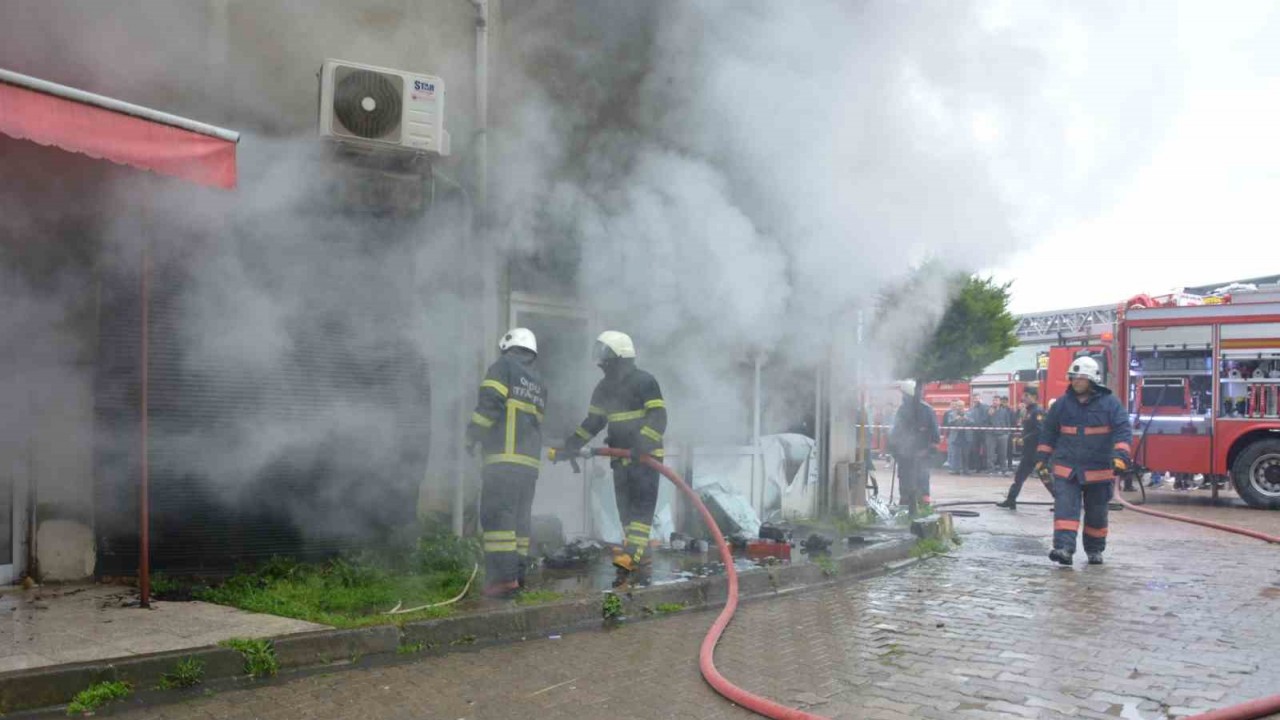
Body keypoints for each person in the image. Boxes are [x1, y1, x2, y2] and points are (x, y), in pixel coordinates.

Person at [559, 331, 667, 589]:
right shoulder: (604, 388)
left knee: (640, 518)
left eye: (605, 357)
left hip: (645, 460)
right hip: (621, 462)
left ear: (619, 357)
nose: (601, 363)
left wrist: (642, 444)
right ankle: (642, 566)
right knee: (628, 518)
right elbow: (594, 422)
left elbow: (658, 418)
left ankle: (629, 564)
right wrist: (572, 444)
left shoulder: (645, 382)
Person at [466, 328, 546, 598]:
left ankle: (503, 579)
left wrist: (472, 436)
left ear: (507, 347)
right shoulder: (538, 381)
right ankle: (518, 575)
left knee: (497, 518)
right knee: (520, 522)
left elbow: (490, 404)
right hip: (529, 466)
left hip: (503, 461)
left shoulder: (503, 367)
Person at [1035, 356, 1132, 566]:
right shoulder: (1061, 405)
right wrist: (1042, 457)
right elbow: (1048, 432)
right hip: (1067, 469)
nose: (1076, 382)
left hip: (1099, 470)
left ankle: (1095, 550)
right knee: (1065, 510)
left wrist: (1120, 456)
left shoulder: (1110, 404)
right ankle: (1064, 549)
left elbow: (1122, 430)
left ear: (1093, 379)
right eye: (1074, 378)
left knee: (1097, 513)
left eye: (1081, 378)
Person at [889, 380, 940, 514]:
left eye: (904, 395)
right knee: (906, 477)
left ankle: (922, 503)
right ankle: (906, 504)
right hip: (905, 453)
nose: (903, 397)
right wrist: (894, 448)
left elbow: (935, 434)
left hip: (921, 452)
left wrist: (929, 450)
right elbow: (896, 431)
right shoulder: (903, 410)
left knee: (921, 476)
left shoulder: (926, 410)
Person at [996, 388, 1043, 510]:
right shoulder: (1028, 411)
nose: (1024, 398)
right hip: (1028, 452)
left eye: (1026, 396)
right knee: (1019, 477)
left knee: (1046, 478)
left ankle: (1062, 503)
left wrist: (1025, 438)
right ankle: (1011, 500)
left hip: (1037, 452)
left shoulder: (1037, 411)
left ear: (1033, 396)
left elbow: (1040, 430)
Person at [991, 396, 1015, 475]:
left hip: (1003, 435)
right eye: (994, 400)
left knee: (1003, 453)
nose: (995, 402)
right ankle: (991, 469)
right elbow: (985, 422)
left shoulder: (1004, 411)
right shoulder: (989, 410)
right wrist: (989, 414)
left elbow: (1008, 422)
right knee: (991, 453)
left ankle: (1003, 469)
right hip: (992, 435)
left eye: (996, 400)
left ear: (1000, 402)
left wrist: (1007, 433)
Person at [967, 394, 991, 473]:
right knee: (975, 450)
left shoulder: (985, 407)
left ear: (980, 399)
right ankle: (977, 468)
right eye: (974, 399)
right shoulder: (972, 409)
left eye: (977, 398)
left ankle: (985, 467)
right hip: (975, 432)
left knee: (986, 450)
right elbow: (970, 419)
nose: (975, 400)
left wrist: (981, 426)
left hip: (984, 431)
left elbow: (987, 418)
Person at [942, 400, 966, 473]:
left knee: (962, 453)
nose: (956, 406)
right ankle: (952, 468)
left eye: (958, 405)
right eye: (955, 405)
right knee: (952, 452)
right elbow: (945, 424)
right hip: (952, 435)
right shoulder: (949, 414)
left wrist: (965, 418)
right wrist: (943, 435)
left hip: (964, 436)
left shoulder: (967, 413)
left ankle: (961, 468)